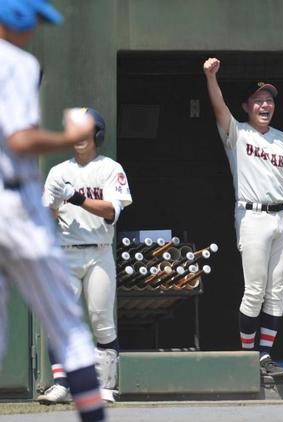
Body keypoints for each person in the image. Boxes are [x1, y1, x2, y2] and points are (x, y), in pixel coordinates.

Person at [0, 1, 105, 420]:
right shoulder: (19, 62)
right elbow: (19, 142)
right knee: (69, 326)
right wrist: (70, 137)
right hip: (14, 206)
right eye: (34, 23)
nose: (34, 32)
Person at [203, 57, 283, 377]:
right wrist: (210, 77)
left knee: (277, 292)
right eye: (259, 100)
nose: (265, 105)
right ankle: (249, 357)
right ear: (247, 106)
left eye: (270, 100)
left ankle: (264, 357)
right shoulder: (239, 133)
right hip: (252, 215)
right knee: (255, 289)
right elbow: (220, 108)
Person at [38, 108, 132, 404]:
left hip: (99, 251)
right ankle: (62, 384)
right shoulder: (59, 172)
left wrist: (76, 197)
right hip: (66, 252)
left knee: (101, 318)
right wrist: (50, 205)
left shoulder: (110, 168)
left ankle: (106, 386)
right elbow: (47, 217)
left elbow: (111, 212)